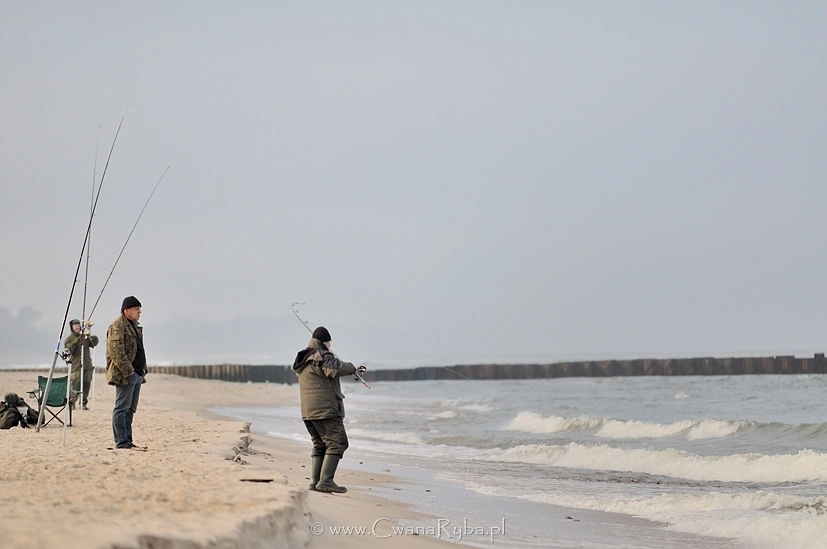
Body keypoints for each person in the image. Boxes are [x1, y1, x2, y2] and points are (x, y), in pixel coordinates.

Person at [292, 326, 366, 494]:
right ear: (324, 342)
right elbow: (336, 368)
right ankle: (326, 481)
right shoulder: (323, 356)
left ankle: (316, 482)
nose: (330, 346)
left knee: (320, 445)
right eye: (329, 343)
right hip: (325, 409)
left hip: (308, 411)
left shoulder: (303, 358)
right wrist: (353, 367)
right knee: (338, 443)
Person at [106, 296, 147, 449]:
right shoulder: (117, 327)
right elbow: (116, 352)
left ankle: (127, 440)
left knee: (130, 409)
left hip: (137, 373)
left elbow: (139, 349)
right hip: (125, 375)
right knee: (121, 408)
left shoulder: (134, 326)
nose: (140, 312)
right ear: (126, 310)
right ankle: (121, 441)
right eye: (137, 309)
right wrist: (129, 372)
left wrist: (143, 370)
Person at [63, 319, 99, 410]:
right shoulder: (68, 339)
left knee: (86, 385)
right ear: (71, 327)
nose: (77, 327)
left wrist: (90, 335)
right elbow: (69, 349)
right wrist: (77, 341)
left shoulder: (85, 337)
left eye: (78, 325)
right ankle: (71, 403)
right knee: (76, 385)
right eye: (75, 326)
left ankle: (83, 403)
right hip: (76, 366)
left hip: (87, 365)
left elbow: (94, 343)